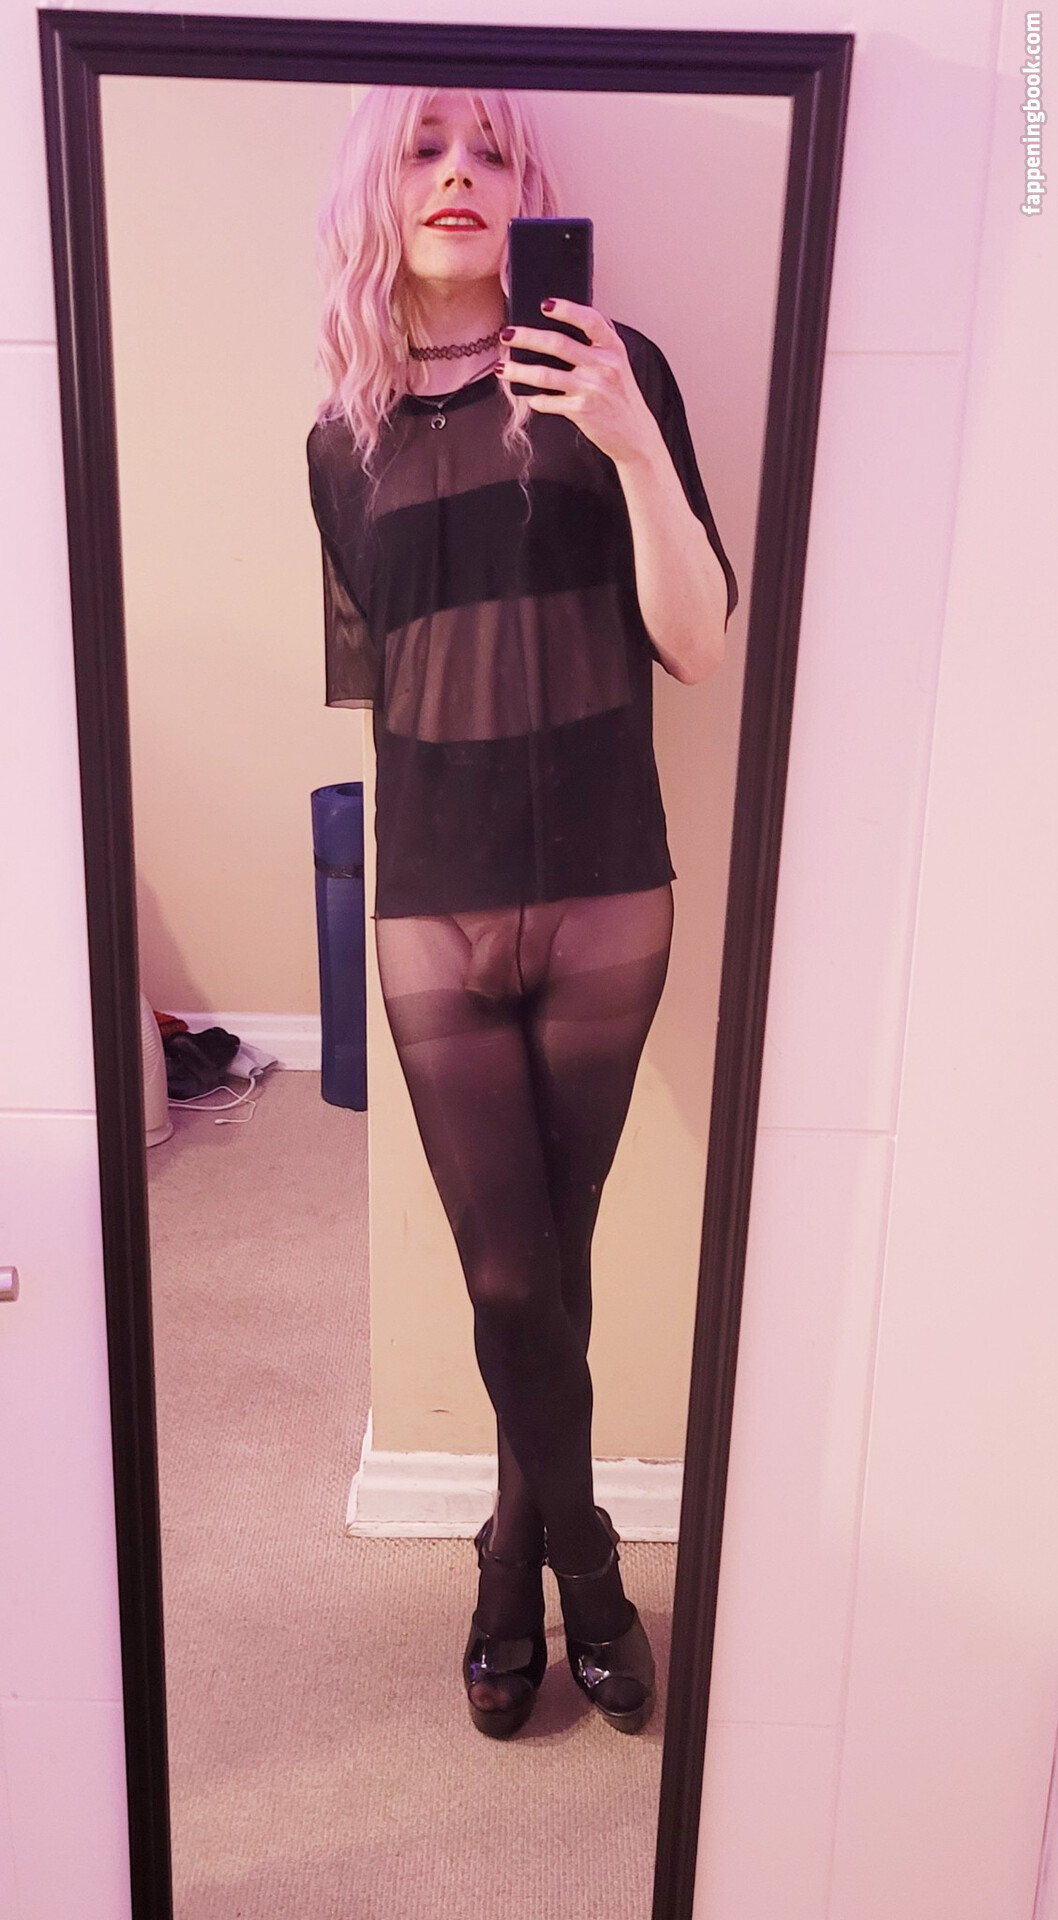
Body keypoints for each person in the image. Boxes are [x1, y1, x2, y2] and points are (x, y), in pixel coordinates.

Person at [306, 84, 738, 1740]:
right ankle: (578, 1566)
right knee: (508, 1278)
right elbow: (375, 682)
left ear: (524, 191)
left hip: (605, 885)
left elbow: (694, 642)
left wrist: (630, 440)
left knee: (553, 1253)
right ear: (380, 188)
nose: (459, 175)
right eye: (425, 147)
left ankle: (508, 1561)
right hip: (433, 893)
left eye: (488, 151)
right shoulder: (336, 442)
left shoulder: (615, 376)